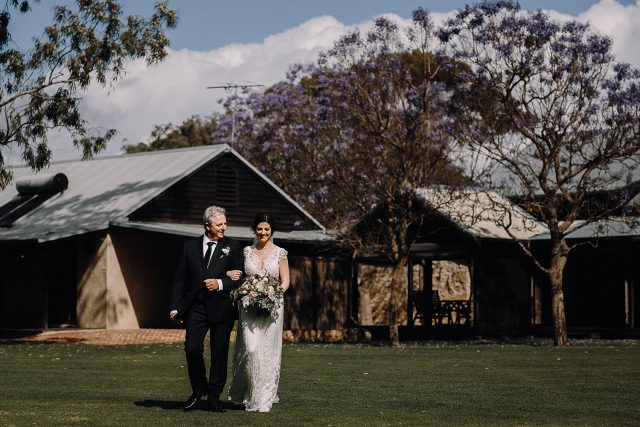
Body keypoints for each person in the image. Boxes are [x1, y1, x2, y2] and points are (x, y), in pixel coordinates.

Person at [169, 206, 244, 413]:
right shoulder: (189, 246)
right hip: (196, 308)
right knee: (192, 348)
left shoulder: (233, 246)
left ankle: (213, 397)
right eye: (220, 224)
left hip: (222, 308)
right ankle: (198, 388)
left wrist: (220, 283)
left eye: (225, 223)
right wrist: (175, 307)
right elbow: (180, 279)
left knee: (219, 354)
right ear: (207, 225)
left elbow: (241, 277)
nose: (224, 228)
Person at [227, 213, 290, 412]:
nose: (263, 232)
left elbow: (286, 280)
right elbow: (238, 274)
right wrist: (243, 288)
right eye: (260, 229)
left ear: (272, 231)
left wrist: (273, 294)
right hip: (248, 306)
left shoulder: (280, 253)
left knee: (268, 351)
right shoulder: (247, 251)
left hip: (273, 307)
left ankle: (263, 397)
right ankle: (244, 392)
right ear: (255, 229)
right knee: (251, 349)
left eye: (267, 229)